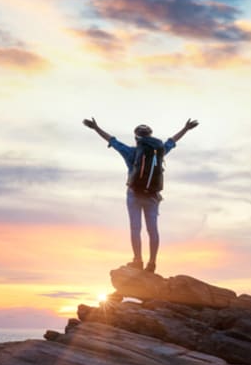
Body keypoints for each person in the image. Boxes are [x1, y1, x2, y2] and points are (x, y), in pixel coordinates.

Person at [82, 117, 199, 273]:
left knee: (135, 228)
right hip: (152, 196)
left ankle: (138, 261)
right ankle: (152, 264)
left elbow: (112, 140)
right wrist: (186, 128)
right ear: (150, 136)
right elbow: (172, 140)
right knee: (153, 230)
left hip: (134, 195)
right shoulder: (159, 150)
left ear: (136, 138)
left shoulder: (130, 152)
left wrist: (96, 127)